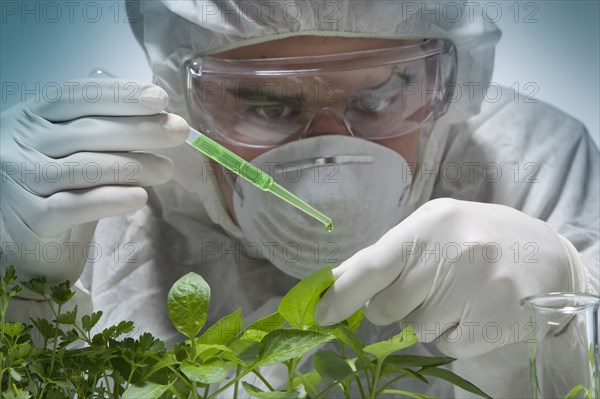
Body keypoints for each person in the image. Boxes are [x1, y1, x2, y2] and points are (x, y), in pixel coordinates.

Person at [1, 1, 598, 397]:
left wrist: (554, 333)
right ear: (185, 100)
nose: (331, 163)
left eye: (385, 92)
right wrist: (19, 293)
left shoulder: (533, 166)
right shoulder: (91, 191)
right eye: (268, 106)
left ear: (447, 78)